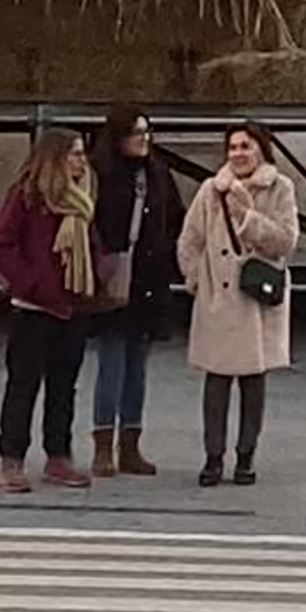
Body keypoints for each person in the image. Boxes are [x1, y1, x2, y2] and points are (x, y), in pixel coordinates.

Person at [180, 121, 301, 490]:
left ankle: (246, 456)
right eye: (232, 147)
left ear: (261, 149)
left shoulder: (280, 187)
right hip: (218, 299)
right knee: (216, 382)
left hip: (256, 301)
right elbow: (190, 239)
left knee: (253, 381)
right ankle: (213, 457)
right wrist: (197, 281)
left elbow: (286, 240)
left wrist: (247, 219)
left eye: (245, 146)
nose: (238, 154)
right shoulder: (209, 190)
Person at [0, 128, 98, 497]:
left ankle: (58, 456)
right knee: (23, 386)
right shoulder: (27, 196)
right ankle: (12, 459)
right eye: (75, 154)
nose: (82, 161)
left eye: (82, 154)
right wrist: (31, 284)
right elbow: (0, 246)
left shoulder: (84, 198)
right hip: (34, 308)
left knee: (63, 387)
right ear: (55, 158)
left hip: (73, 305)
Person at [85, 111, 184, 478]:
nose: (144, 138)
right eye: (136, 132)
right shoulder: (102, 176)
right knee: (111, 360)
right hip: (113, 276)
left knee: (137, 366)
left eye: (147, 131)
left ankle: (130, 444)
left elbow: (174, 216)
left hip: (149, 278)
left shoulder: (158, 173)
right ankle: (102, 444)